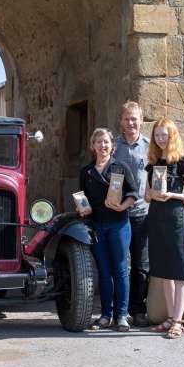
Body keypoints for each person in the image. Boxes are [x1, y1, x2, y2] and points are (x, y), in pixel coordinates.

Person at [144, 118, 184, 339]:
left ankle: (178, 322)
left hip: (175, 220)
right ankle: (169, 317)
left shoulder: (183, 162)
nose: (160, 139)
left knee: (179, 272)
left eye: (164, 135)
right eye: (157, 135)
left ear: (172, 136)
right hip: (156, 219)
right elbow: (146, 196)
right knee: (164, 273)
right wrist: (151, 194)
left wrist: (172, 195)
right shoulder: (152, 164)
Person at [79, 128, 138, 331]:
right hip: (97, 226)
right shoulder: (86, 172)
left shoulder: (120, 167)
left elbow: (133, 193)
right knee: (104, 271)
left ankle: (121, 315)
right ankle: (105, 315)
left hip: (119, 224)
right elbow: (82, 197)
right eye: (98, 142)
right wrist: (82, 208)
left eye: (106, 142)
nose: (102, 145)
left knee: (120, 269)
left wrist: (123, 206)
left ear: (112, 145)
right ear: (93, 145)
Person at [112, 101, 150, 327]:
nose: (130, 123)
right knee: (119, 263)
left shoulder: (149, 146)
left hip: (142, 213)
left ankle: (138, 309)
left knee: (141, 265)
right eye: (126, 119)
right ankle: (119, 310)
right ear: (121, 121)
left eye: (134, 118)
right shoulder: (113, 146)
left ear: (141, 120)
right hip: (117, 213)